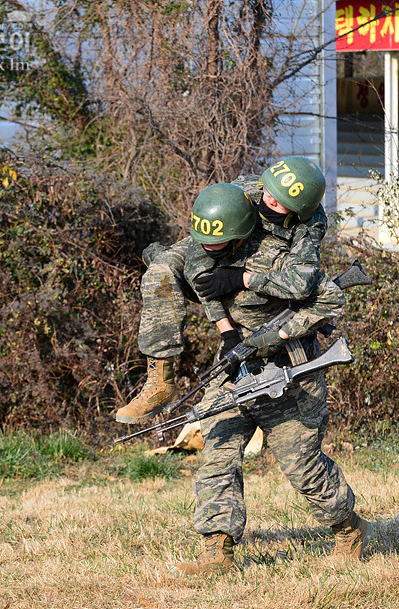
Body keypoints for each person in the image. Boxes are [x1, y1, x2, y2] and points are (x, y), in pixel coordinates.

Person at [153, 183, 367, 576]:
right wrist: (227, 333)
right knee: (218, 452)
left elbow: (328, 298)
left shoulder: (294, 249)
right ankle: (217, 551)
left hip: (292, 369)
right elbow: (197, 280)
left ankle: (348, 527)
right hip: (236, 364)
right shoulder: (218, 237)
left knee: (301, 467)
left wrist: (273, 326)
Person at [116, 156, 328, 424]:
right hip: (219, 244)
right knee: (160, 270)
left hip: (253, 282)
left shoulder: (309, 225)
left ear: (300, 209)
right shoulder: (247, 190)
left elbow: (300, 284)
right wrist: (225, 329)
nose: (270, 199)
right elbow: (199, 260)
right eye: (269, 191)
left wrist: (243, 279)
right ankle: (161, 380)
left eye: (280, 201)